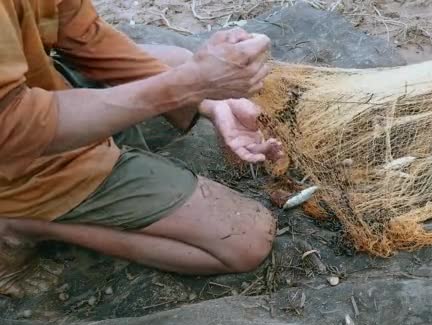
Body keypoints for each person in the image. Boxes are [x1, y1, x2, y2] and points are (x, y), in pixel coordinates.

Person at [0, 0, 283, 297]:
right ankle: (23, 224)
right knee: (247, 240)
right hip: (19, 152)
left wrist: (206, 101)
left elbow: (82, 33)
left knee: (176, 59)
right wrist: (189, 85)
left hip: (36, 90)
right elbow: (14, 126)